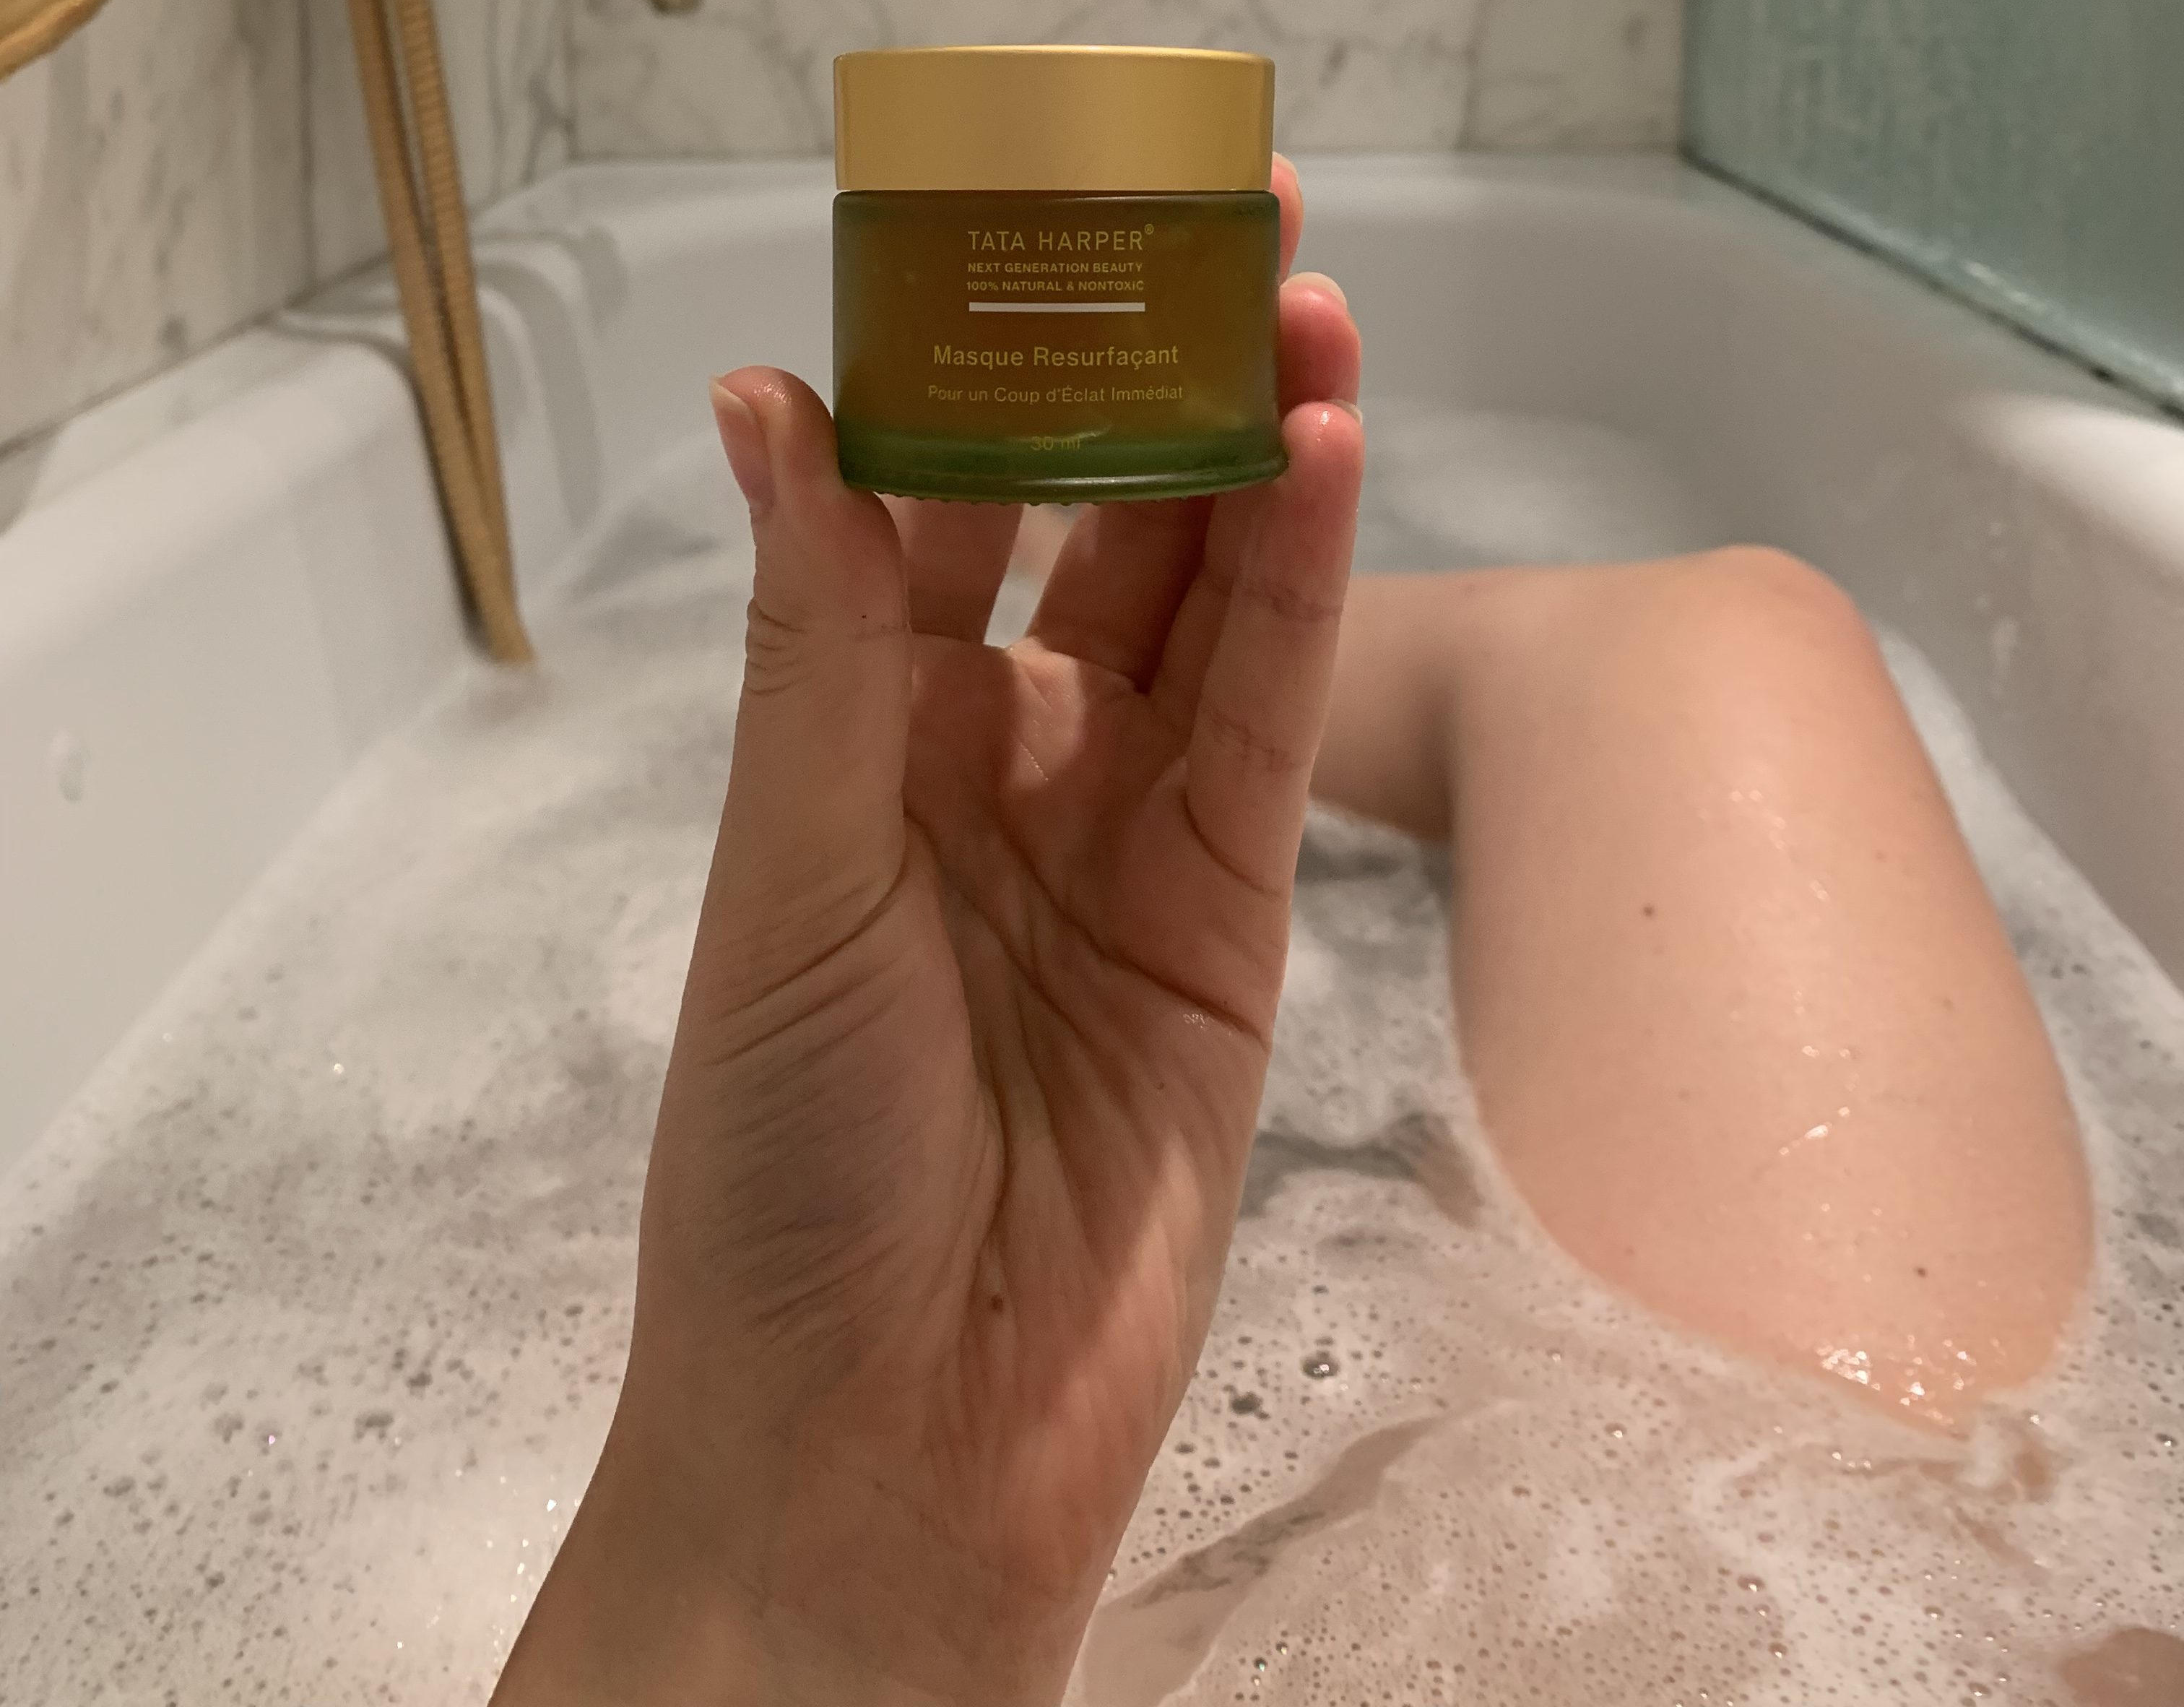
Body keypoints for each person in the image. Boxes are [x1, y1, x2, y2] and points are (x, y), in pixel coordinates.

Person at [493, 165, 2089, 1707]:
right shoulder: (1830, 1575)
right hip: (1819, 1595)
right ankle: (1155, 618)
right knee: (1722, 640)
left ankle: (1121, 605)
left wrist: (792, 1556)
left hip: (1702, 1586)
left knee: (1703, 643)